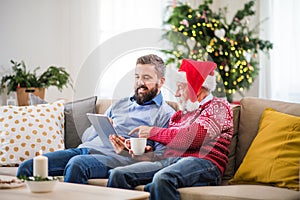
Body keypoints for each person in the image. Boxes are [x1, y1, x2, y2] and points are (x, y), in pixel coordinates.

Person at [17, 54, 175, 184]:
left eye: (146, 78)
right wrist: (100, 127)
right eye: (137, 77)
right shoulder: (119, 104)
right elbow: (86, 137)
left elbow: (159, 158)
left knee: (77, 164)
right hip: (84, 149)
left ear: (161, 82)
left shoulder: (165, 114)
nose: (140, 83)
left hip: (115, 158)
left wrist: (132, 151)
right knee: (27, 167)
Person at [107, 59, 234, 200]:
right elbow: (168, 151)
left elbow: (192, 138)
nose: (177, 94)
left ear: (196, 87)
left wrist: (152, 132)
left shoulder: (219, 106)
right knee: (118, 174)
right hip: (171, 161)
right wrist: (145, 155)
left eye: (181, 87)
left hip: (204, 162)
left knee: (163, 179)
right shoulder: (179, 115)